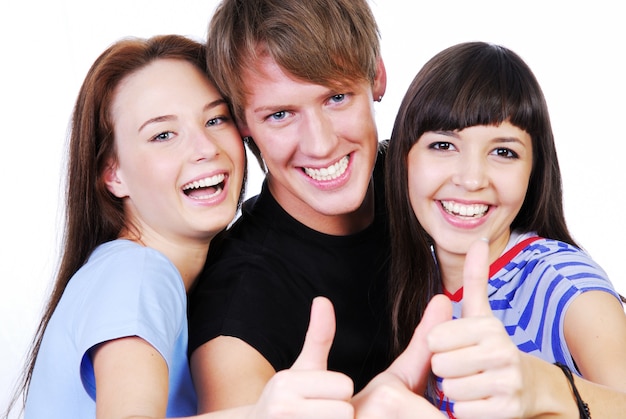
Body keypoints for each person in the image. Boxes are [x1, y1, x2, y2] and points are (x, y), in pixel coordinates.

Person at [3, 34, 356, 419]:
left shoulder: (138, 274)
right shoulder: (138, 273)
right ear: (113, 174)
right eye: (163, 135)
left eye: (215, 119)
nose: (205, 147)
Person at [386, 41, 626, 417]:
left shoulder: (563, 282)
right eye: (444, 144)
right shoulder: (403, 279)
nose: (471, 179)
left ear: (534, 171)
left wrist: (544, 386)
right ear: (403, 158)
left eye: (503, 152)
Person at [187, 0, 391, 412]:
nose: (320, 144)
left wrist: (547, 381)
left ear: (377, 77)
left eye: (336, 98)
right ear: (242, 123)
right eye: (280, 114)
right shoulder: (237, 308)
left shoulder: (431, 184)